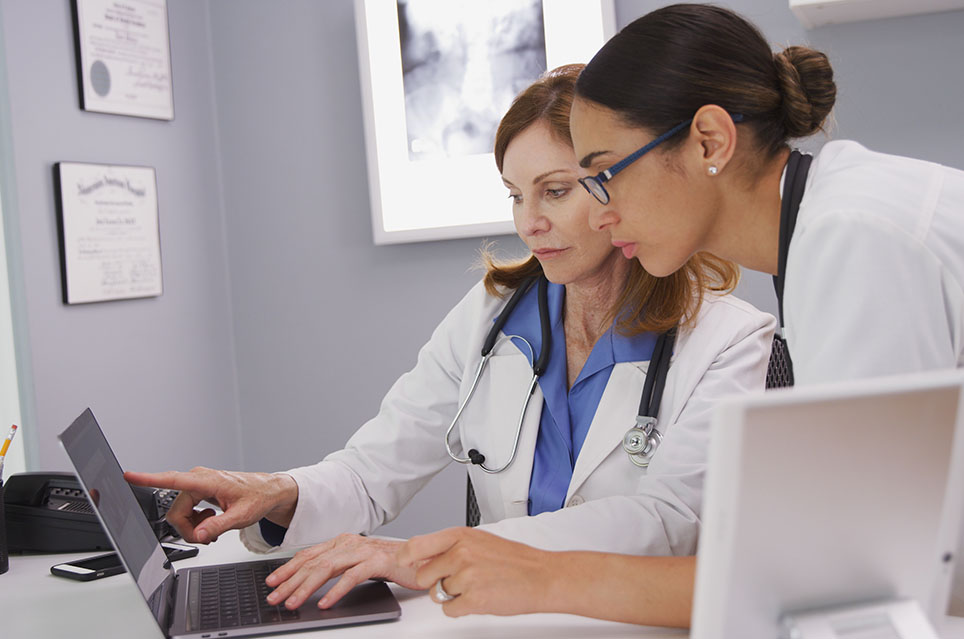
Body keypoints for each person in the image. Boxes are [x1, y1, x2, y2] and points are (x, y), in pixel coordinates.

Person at [127, 63, 774, 616]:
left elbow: (665, 524)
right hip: (494, 619)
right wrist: (278, 489)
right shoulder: (495, 313)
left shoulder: (727, 338)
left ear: (619, 182)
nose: (531, 222)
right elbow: (376, 469)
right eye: (516, 195)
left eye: (554, 190)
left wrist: (421, 553)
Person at [399, 2, 964, 627]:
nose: (601, 212)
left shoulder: (854, 239)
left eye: (603, 175)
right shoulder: (827, 226)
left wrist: (542, 573)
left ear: (710, 141)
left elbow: (862, 567)